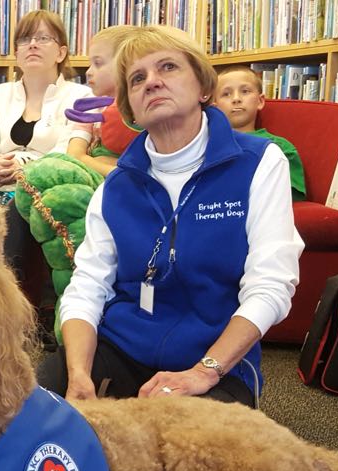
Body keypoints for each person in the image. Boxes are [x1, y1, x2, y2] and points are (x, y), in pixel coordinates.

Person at [40, 25, 304, 407]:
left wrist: (204, 371)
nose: (153, 82)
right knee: (40, 409)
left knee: (204, 456)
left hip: (215, 359)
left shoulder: (260, 163)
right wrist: (79, 373)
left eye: (168, 67)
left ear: (202, 88)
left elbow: (271, 285)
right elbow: (87, 287)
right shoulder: (115, 187)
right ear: (129, 107)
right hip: (123, 347)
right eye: (137, 78)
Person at [0, 9, 92, 197]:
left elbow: (68, 155)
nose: (32, 44)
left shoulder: (82, 98)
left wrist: (23, 166)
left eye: (43, 38)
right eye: (25, 39)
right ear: (17, 53)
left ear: (61, 53)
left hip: (50, 193)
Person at [214, 65, 307, 200]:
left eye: (245, 91)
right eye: (226, 94)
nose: (236, 99)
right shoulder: (207, 144)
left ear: (260, 101)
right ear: (215, 107)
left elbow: (290, 196)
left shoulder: (279, 146)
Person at [66, 25, 141, 177]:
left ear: (125, 66)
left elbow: (139, 174)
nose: (88, 72)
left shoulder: (143, 111)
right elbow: (74, 155)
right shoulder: (91, 109)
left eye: (98, 63)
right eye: (90, 63)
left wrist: (88, 161)